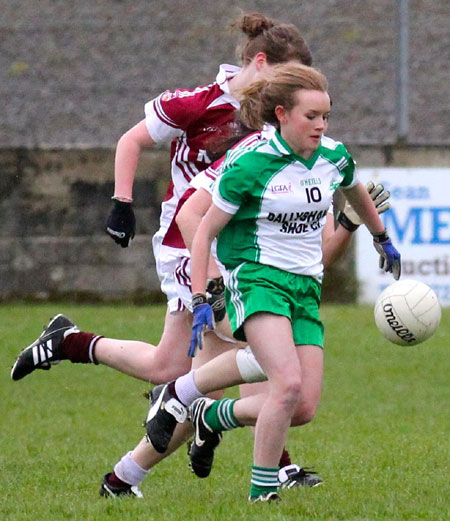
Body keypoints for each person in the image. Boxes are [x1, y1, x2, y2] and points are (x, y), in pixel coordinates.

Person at [10, 13, 321, 496]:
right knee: (245, 340)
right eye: (286, 78)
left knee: (173, 367)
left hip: (233, 245)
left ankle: (72, 346)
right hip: (187, 241)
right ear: (260, 62)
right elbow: (131, 140)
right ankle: (266, 459)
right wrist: (121, 203)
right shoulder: (197, 103)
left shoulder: (270, 115)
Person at [185, 62, 400, 502]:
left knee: (301, 408)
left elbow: (355, 189)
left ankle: (211, 415)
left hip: (305, 287)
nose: (321, 125)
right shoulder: (250, 164)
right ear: (281, 114)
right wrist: (201, 295)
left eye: (326, 116)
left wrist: (382, 237)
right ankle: (263, 491)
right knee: (286, 383)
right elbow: (203, 231)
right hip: (257, 280)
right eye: (311, 117)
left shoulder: (333, 156)